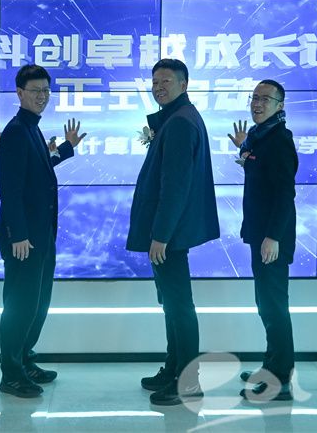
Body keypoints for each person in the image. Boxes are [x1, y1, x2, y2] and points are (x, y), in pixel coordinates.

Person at [127, 58, 220, 406]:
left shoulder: (180, 122)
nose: (158, 87)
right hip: (172, 232)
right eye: (154, 82)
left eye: (166, 81)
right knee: (172, 303)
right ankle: (173, 368)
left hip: (171, 235)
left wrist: (161, 235)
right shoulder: (177, 117)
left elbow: (175, 186)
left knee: (179, 305)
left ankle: (188, 381)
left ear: (184, 84)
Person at [0, 64, 86, 398]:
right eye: (36, 91)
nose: (42, 96)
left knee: (38, 302)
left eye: (46, 90)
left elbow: (39, 167)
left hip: (40, 233)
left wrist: (66, 147)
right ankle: (11, 373)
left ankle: (24, 359)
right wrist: (18, 233)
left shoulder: (31, 127)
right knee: (20, 305)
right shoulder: (16, 131)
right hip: (24, 237)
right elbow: (10, 187)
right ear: (20, 93)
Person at [228, 79, 298, 402]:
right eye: (254, 98)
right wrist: (243, 148)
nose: (257, 103)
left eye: (265, 99)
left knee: (274, 306)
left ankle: (280, 379)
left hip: (272, 238)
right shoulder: (260, 135)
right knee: (266, 305)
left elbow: (284, 193)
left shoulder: (280, 139)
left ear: (280, 106)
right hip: (260, 233)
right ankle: (271, 365)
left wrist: (273, 236)